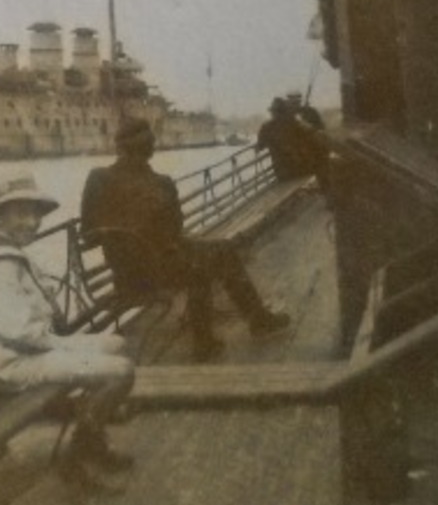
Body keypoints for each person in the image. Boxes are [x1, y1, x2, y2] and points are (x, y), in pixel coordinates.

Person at [0, 170, 137, 492]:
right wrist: (66, 347)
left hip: (25, 351)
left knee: (117, 344)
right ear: (0, 216)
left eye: (35, 213)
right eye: (21, 213)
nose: (33, 222)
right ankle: (76, 458)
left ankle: (92, 442)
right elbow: (17, 333)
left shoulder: (2, 248)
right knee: (120, 372)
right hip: (12, 365)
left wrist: (65, 344)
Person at [81, 118, 290, 361]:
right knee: (213, 258)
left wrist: (123, 237)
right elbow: (175, 230)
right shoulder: (162, 183)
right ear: (150, 148)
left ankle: (243, 325)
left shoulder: (98, 178)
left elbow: (88, 234)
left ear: (120, 148)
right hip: (156, 272)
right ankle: (233, 329)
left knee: (214, 253)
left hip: (125, 275)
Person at [256, 97, 319, 180]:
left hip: (283, 173)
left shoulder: (267, 127)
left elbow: (260, 146)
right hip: (303, 169)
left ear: (273, 112)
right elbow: (310, 132)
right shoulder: (293, 122)